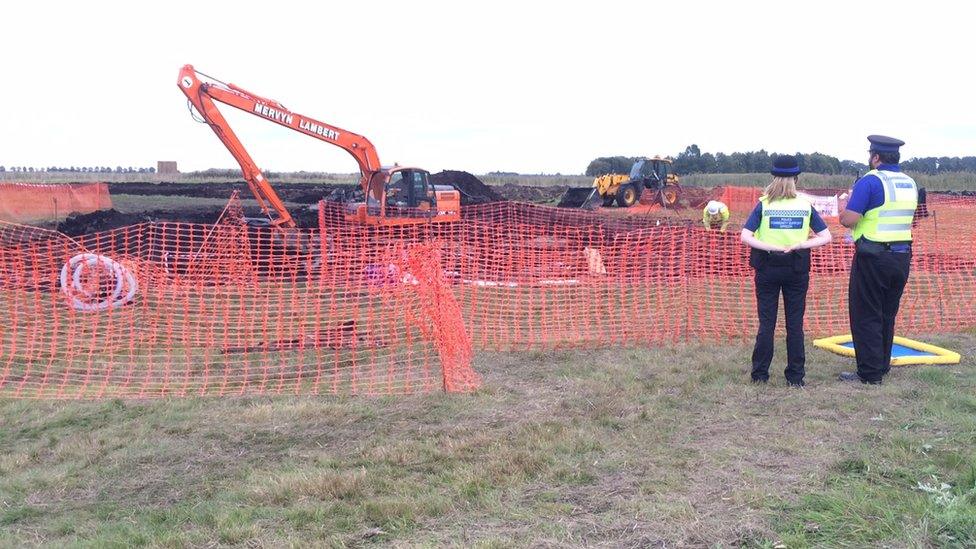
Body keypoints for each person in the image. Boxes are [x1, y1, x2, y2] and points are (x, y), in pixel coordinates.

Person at [740, 155, 832, 386]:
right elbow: (826, 236)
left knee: (767, 323)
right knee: (795, 324)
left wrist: (769, 247)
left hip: (767, 267)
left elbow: (745, 236)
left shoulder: (764, 204)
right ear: (796, 178)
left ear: (773, 177)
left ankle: (760, 375)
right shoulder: (804, 206)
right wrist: (802, 244)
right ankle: (796, 377)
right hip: (796, 268)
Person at [838, 135, 918, 385]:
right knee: (887, 313)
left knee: (866, 314)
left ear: (875, 157)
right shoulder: (910, 182)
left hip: (873, 256)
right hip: (902, 255)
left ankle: (869, 373)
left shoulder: (870, 181)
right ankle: (882, 365)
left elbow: (849, 220)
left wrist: (843, 206)